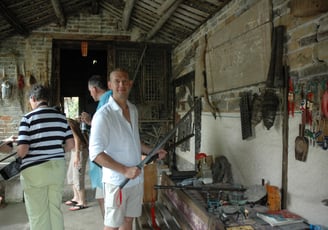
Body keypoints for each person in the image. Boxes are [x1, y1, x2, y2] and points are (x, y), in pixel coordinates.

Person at [88, 68, 167, 230]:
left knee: (128, 221)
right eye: (117, 81)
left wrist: (153, 150)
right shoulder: (104, 115)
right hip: (117, 182)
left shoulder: (133, 109)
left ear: (130, 84)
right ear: (110, 85)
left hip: (135, 179)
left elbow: (134, 141)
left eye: (125, 81)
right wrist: (124, 170)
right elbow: (95, 153)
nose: (121, 85)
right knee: (112, 225)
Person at [17, 84, 74, 230]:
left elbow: (23, 150)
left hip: (35, 171)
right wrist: (54, 149)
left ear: (33, 99)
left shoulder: (28, 118)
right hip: (57, 168)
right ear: (47, 100)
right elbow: (70, 144)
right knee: (54, 209)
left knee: (38, 213)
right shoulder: (61, 117)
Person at [80, 74, 112, 217]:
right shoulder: (104, 101)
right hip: (101, 158)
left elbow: (106, 126)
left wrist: (90, 121)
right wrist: (90, 122)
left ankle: (110, 224)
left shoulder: (108, 100)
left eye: (90, 90)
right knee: (101, 196)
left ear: (94, 89)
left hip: (105, 157)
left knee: (105, 197)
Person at [65, 118, 89, 211]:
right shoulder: (67, 122)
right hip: (74, 151)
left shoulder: (68, 123)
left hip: (79, 151)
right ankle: (76, 197)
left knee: (77, 177)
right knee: (70, 175)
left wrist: (77, 155)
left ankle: (82, 202)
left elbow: (77, 138)